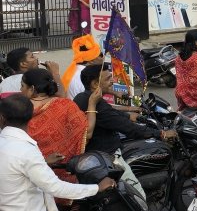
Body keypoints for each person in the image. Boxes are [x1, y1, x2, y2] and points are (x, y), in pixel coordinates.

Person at [74, 64, 176, 199]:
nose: (112, 81)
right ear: (94, 84)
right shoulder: (96, 104)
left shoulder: (82, 97)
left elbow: (110, 113)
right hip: (108, 155)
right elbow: (129, 128)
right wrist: (161, 133)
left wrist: (128, 114)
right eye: (108, 78)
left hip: (92, 156)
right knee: (138, 195)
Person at [0, 94, 116, 210]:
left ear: (2, 118)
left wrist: (43, 162)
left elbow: (14, 170)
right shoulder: (26, 150)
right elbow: (55, 187)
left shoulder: (10, 145)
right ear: (31, 116)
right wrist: (97, 188)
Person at [21, 68, 100, 207]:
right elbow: (87, 133)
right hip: (61, 178)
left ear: (32, 88)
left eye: (22, 86)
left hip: (26, 180)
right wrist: (92, 104)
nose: (20, 90)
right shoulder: (65, 105)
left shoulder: (17, 110)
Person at [61, 34, 104, 99]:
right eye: (101, 54)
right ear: (91, 60)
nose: (103, 57)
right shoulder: (87, 77)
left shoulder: (74, 70)